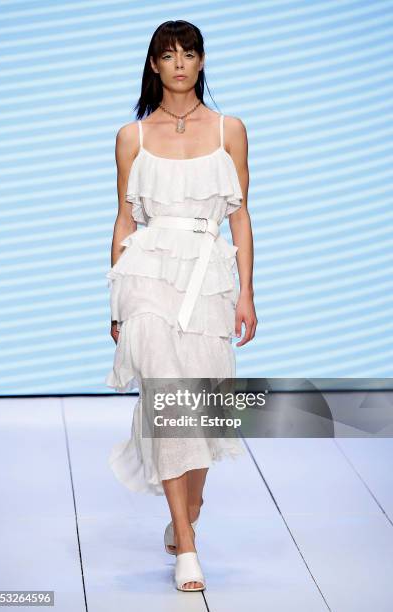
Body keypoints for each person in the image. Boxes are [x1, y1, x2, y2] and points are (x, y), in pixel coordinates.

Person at [105, 20, 257, 592]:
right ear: (153, 65)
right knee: (165, 392)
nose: (179, 63)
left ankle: (187, 510)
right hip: (146, 270)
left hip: (208, 271)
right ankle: (186, 547)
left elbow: (240, 214)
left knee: (200, 399)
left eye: (188, 54)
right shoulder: (131, 137)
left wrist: (246, 291)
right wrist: (116, 297)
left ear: (201, 61)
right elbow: (124, 218)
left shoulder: (229, 130)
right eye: (167, 55)